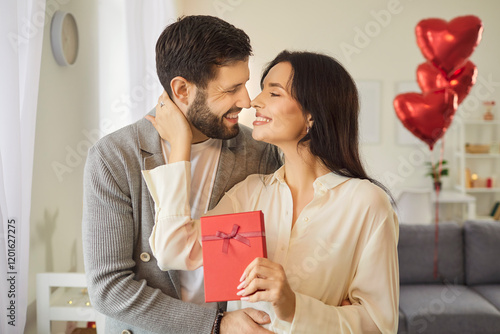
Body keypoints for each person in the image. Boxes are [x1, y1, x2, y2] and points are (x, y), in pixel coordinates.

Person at [143, 51, 400, 333]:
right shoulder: (251, 193)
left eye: (274, 93)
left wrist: (293, 306)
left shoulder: (367, 204)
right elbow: (173, 250)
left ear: (312, 114)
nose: (254, 102)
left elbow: (379, 324)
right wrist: (181, 147)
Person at [82, 15, 280, 334]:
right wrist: (215, 325)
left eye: (245, 84)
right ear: (182, 90)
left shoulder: (256, 152)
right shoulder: (114, 157)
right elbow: (108, 289)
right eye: (231, 90)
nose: (245, 101)